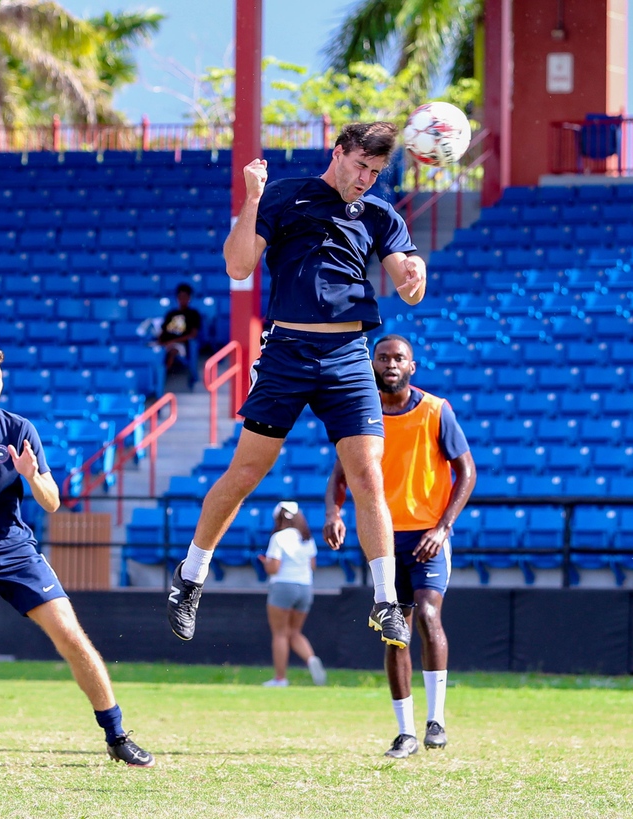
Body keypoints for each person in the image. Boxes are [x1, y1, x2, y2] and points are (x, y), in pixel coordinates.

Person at [165, 122, 428, 652]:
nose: (366, 180)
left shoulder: (380, 214)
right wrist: (252, 199)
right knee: (246, 472)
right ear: (339, 153)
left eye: (377, 173)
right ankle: (189, 580)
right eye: (360, 167)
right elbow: (238, 264)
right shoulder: (285, 195)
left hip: (349, 356)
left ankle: (384, 601)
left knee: (368, 475)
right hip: (287, 352)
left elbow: (407, 285)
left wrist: (414, 273)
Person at [0, 343, 154, 769]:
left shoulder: (20, 429)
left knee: (71, 635)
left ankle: (117, 736)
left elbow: (52, 502)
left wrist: (31, 476)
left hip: (16, 552)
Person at [324, 334, 476, 759]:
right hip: (384, 540)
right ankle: (406, 732)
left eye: (399, 358)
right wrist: (333, 513)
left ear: (413, 366)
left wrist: (443, 528)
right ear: (372, 364)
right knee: (395, 634)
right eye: (383, 357)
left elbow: (467, 472)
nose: (390, 364)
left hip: (428, 535)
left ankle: (437, 721)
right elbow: (340, 475)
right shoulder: (361, 414)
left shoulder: (435, 410)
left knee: (428, 615)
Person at [257, 501, 327, 687]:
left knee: (279, 634)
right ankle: (311, 659)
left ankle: (280, 678)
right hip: (304, 587)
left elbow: (274, 568)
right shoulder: (307, 538)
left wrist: (265, 563)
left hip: (283, 586)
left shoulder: (278, 538)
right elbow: (312, 565)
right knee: (294, 632)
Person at [155, 283, 202, 375]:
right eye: (180, 296)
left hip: (181, 345)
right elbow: (162, 331)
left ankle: (163, 379)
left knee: (172, 352)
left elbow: (193, 334)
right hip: (165, 343)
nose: (182, 299)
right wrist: (161, 342)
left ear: (189, 298)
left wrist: (173, 341)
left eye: (185, 296)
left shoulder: (193, 314)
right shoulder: (171, 313)